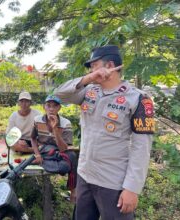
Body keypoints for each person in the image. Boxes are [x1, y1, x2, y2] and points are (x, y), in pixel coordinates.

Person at [54, 45, 155, 219]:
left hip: (113, 182)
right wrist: (88, 78)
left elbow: (142, 148)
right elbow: (59, 95)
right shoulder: (89, 91)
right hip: (85, 176)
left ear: (109, 65)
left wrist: (132, 188)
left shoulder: (137, 99)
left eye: (94, 65)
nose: (91, 70)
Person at [31, 95, 77, 202]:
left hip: (60, 151)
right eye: (48, 106)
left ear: (59, 108)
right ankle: (43, 159)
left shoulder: (66, 123)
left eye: (54, 106)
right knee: (62, 160)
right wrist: (37, 154)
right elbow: (33, 138)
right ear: (44, 107)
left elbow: (63, 149)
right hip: (45, 150)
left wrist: (55, 128)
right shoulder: (37, 120)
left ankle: (73, 190)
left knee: (67, 163)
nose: (51, 109)